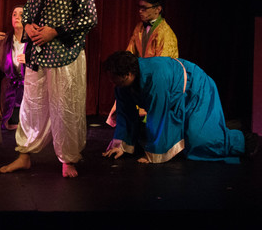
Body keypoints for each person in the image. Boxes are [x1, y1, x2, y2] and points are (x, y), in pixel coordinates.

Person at [0, 0, 97, 178]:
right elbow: (30, 8)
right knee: (31, 105)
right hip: (38, 54)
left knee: (65, 107)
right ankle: (24, 155)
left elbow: (89, 17)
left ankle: (68, 159)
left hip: (65, 54)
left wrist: (56, 31)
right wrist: (28, 24)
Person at [102, 51, 257, 164]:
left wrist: (154, 153)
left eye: (115, 79)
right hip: (175, 95)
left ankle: (246, 141)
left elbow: (159, 114)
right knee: (176, 140)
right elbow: (125, 114)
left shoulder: (156, 78)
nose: (112, 83)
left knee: (199, 141)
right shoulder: (121, 85)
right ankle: (226, 126)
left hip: (196, 87)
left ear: (128, 74)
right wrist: (121, 146)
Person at [105, 0, 178, 126]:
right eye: (139, 7)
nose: (140, 11)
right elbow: (130, 52)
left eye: (144, 8)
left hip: (154, 79)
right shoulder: (139, 27)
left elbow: (162, 65)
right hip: (139, 74)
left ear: (158, 9)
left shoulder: (166, 34)